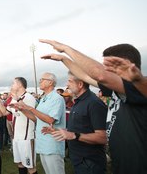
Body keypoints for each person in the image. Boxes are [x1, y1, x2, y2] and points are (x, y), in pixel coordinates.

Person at [40, 39, 147, 174]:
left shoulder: (140, 88)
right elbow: (84, 75)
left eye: (109, 66)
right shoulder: (116, 90)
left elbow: (100, 75)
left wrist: (65, 48)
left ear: (128, 66)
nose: (105, 70)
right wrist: (63, 59)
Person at [21, 73, 65, 174]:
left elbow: (50, 120)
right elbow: (37, 119)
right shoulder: (44, 98)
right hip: (43, 144)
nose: (39, 81)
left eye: (42, 79)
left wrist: (31, 108)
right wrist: (22, 109)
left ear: (50, 82)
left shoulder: (57, 98)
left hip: (52, 144)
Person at [0, 77, 38, 174]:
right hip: (16, 137)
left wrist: (19, 104)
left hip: (26, 137)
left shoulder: (28, 97)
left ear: (20, 85)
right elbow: (5, 112)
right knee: (20, 164)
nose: (11, 85)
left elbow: (33, 117)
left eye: (13, 83)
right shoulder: (14, 99)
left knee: (30, 167)